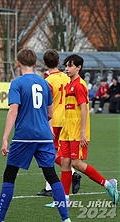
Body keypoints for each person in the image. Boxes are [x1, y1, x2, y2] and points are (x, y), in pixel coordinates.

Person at [0, 48, 70, 222]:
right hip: (44, 135)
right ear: (35, 64)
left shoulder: (17, 83)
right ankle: (66, 218)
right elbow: (50, 113)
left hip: (24, 136)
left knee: (10, 175)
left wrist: (5, 137)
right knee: (51, 175)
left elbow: (13, 111)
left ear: (18, 63)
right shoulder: (44, 83)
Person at [46, 54, 118, 208]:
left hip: (77, 131)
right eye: (66, 65)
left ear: (78, 67)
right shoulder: (68, 85)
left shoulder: (80, 85)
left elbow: (84, 109)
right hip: (67, 130)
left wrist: (83, 132)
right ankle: (64, 200)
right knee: (65, 163)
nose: (67, 69)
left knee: (77, 164)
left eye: (70, 66)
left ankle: (107, 184)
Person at [37, 49, 82, 197]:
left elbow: (46, 104)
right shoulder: (67, 76)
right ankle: (67, 176)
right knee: (58, 152)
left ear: (44, 63)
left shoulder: (47, 81)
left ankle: (51, 185)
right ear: (58, 62)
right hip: (67, 119)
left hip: (53, 120)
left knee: (47, 152)